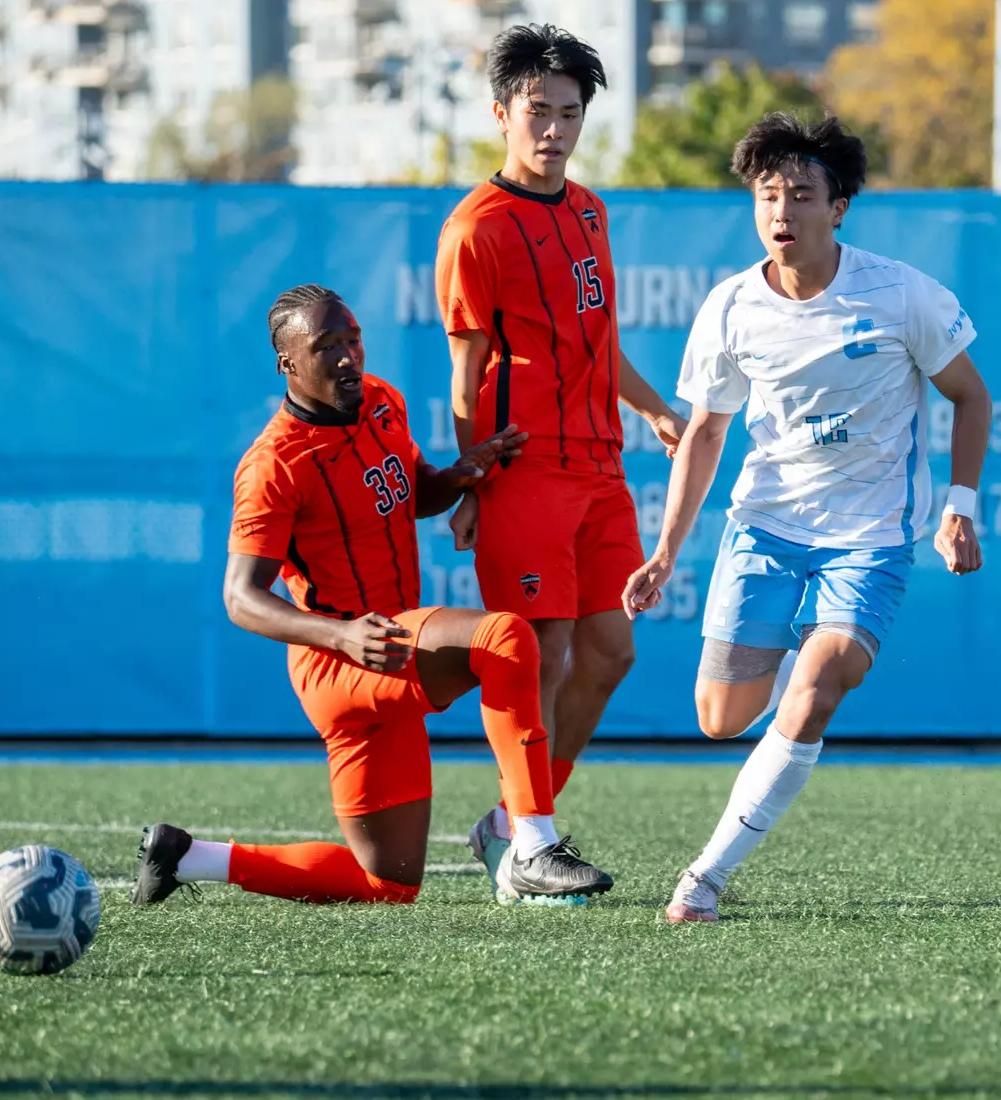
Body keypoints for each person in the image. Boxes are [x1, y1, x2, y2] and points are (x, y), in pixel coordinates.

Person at [131, 284, 614, 908]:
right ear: (288, 364)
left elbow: (412, 493)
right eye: (325, 346)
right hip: (338, 658)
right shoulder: (272, 464)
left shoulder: (382, 400)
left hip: (389, 648)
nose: (346, 357)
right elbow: (240, 598)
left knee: (388, 886)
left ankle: (190, 856)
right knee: (506, 637)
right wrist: (340, 635)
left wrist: (459, 476)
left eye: (352, 339)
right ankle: (532, 845)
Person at [621, 113, 993, 923]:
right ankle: (800, 680)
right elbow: (706, 432)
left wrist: (961, 506)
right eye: (767, 195)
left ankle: (705, 879)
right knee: (720, 721)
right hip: (765, 530)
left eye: (800, 194)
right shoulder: (729, 308)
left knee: (818, 686)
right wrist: (665, 552)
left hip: (868, 540)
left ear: (839, 208)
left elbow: (971, 397)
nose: (781, 210)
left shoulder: (901, 294)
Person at [434, 23, 687, 891]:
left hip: (601, 467)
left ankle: (513, 823)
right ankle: (534, 847)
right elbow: (465, 379)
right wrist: (471, 482)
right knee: (537, 653)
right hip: (524, 471)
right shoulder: (476, 228)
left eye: (569, 113)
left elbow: (596, 343)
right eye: (537, 111)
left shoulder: (590, 212)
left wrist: (656, 410)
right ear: (502, 112)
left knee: (611, 651)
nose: (552, 128)